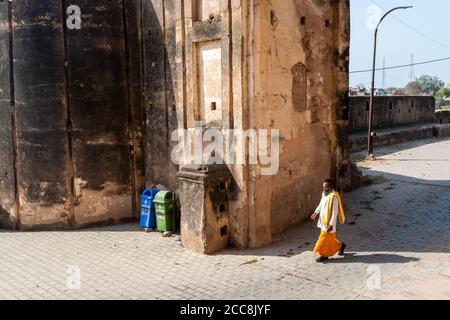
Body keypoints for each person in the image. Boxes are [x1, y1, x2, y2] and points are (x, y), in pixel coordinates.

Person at [310, 179, 347, 263]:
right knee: (330, 240)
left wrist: (331, 224)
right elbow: (320, 204)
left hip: (329, 224)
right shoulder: (324, 194)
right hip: (323, 221)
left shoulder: (334, 197)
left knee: (323, 239)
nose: (324, 189)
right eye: (323, 187)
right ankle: (340, 246)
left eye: (326, 187)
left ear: (331, 187)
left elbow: (334, 212)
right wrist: (315, 213)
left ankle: (324, 255)